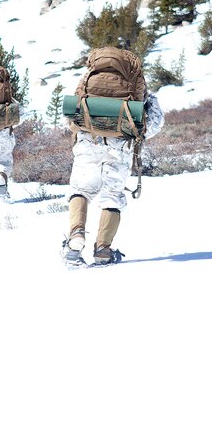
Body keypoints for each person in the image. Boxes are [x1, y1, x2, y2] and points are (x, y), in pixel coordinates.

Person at [62, 45, 164, 267]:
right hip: (120, 146)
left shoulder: (90, 76)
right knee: (111, 196)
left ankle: (75, 238)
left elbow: (73, 112)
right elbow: (154, 122)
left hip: (88, 141)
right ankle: (103, 250)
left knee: (80, 189)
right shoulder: (136, 79)